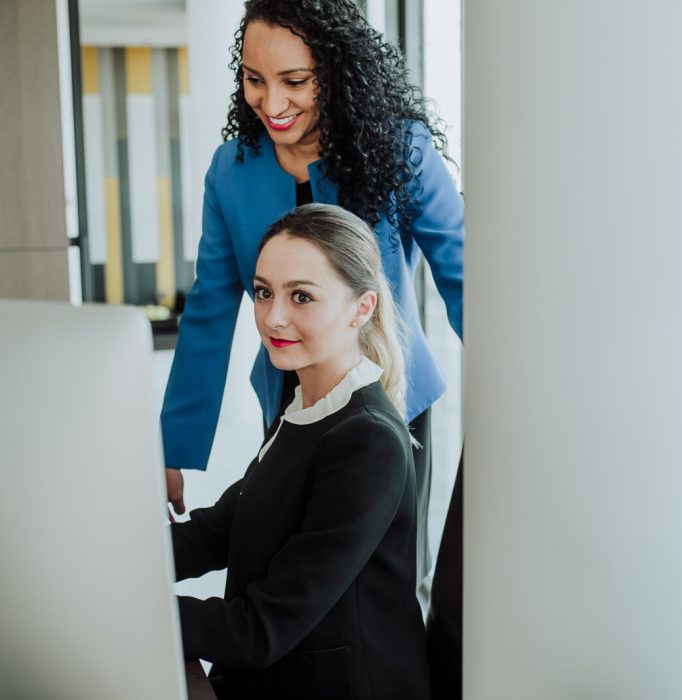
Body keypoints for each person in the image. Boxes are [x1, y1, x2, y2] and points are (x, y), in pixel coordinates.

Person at [162, 0, 464, 583]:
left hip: (392, 399)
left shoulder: (401, 148)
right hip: (288, 397)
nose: (271, 104)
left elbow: (465, 275)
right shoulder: (232, 169)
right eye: (254, 80)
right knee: (283, 564)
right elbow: (208, 308)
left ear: (336, 70)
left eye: (295, 81)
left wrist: (527, 399)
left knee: (381, 579)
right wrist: (170, 444)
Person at [171, 204, 431, 699]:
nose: (273, 317)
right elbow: (221, 530)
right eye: (264, 292)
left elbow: (260, 630)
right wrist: (112, 561)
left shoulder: (367, 441)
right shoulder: (305, 405)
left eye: (302, 297)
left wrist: (127, 605)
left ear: (362, 308)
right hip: (280, 674)